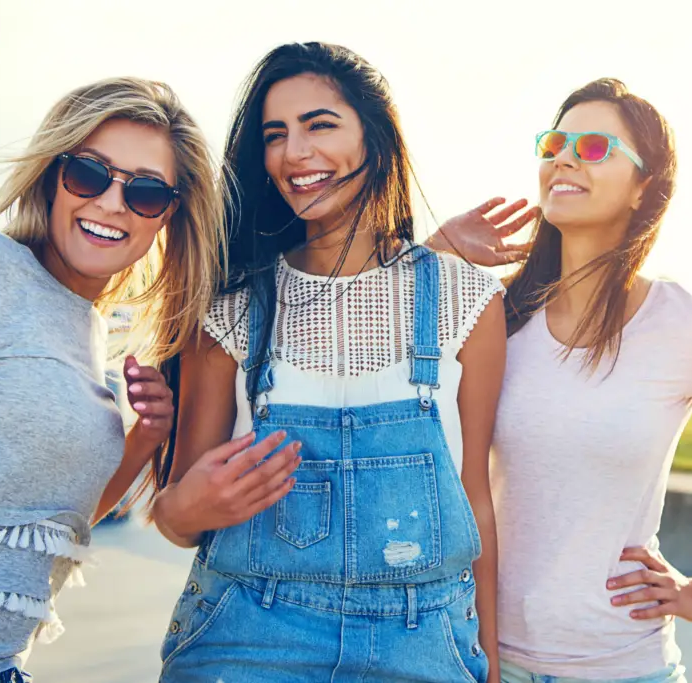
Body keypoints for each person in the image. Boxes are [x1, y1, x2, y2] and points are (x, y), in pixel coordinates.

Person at [437, 78, 692, 683]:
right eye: (555, 143)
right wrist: (434, 251)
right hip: (487, 659)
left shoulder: (685, 325)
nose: (563, 157)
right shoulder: (495, 314)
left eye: (594, 147)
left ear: (645, 187)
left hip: (623, 667)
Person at [151, 42, 506, 683]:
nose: (295, 153)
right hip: (246, 635)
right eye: (275, 134)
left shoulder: (465, 298)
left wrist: (492, 663)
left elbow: (475, 499)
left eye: (320, 125)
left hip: (425, 642)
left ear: (375, 137)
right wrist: (190, 508)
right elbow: (175, 517)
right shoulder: (231, 310)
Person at [0, 77, 226, 682]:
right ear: (52, 174)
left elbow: (55, 522)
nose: (112, 202)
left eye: (146, 192)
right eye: (90, 174)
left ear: (168, 215)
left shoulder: (91, 332)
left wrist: (145, 437)